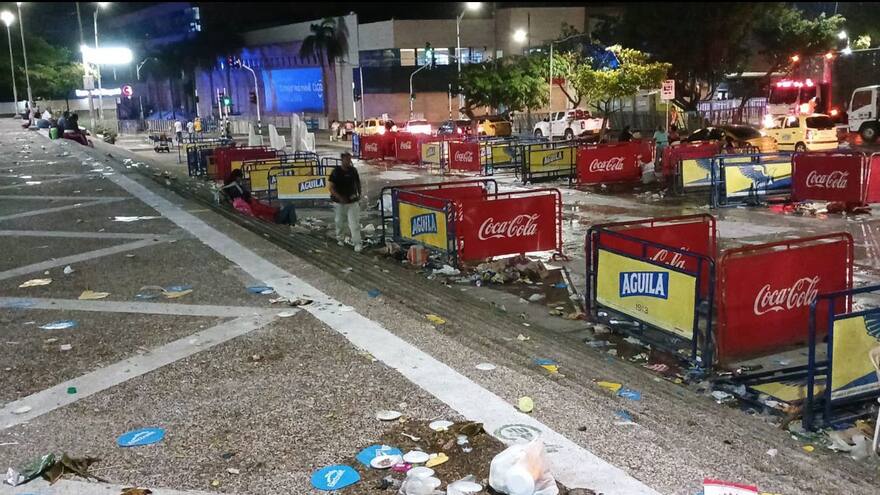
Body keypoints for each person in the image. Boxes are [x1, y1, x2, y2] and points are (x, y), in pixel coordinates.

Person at [329, 151, 362, 253]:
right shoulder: (336, 172)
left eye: (349, 159)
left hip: (352, 202)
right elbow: (331, 187)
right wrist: (339, 197)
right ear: (342, 159)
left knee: (354, 223)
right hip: (339, 203)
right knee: (339, 222)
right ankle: (340, 239)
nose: (348, 161)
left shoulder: (353, 171)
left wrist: (359, 195)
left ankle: (357, 243)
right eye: (347, 159)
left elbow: (358, 184)